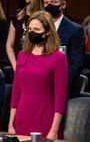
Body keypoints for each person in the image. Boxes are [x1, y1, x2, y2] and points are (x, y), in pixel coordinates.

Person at [8, 11, 68, 139]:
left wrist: (54, 129)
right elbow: (16, 92)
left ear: (47, 32)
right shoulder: (22, 55)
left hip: (45, 119)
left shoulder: (58, 58)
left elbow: (60, 97)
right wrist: (10, 123)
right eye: (30, 29)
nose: (32, 32)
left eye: (36, 29)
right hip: (22, 117)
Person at [43, 0, 85, 98]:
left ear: (63, 5)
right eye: (46, 3)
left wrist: (59, 86)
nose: (49, 5)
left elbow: (76, 65)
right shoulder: (38, 27)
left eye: (53, 2)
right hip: (39, 86)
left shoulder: (75, 30)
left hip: (62, 89)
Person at [6, 0, 43, 71]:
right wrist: (15, 65)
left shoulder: (43, 17)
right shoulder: (16, 16)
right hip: (18, 65)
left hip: (37, 66)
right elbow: (9, 45)